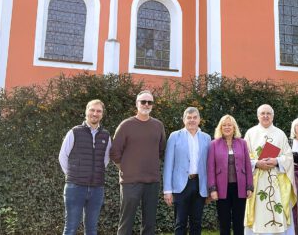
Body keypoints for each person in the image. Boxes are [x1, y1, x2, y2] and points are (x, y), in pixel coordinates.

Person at [110, 90, 166, 235]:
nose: (146, 105)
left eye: (150, 102)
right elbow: (115, 152)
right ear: (137, 104)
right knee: (126, 221)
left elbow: (161, 151)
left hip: (152, 181)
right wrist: (126, 168)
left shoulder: (158, 125)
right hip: (130, 181)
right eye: (143, 101)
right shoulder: (126, 125)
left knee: (150, 222)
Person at [59, 99, 112, 235]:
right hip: (75, 187)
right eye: (92, 110)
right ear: (86, 112)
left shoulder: (106, 135)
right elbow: (63, 156)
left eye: (98, 111)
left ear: (102, 114)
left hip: (96, 188)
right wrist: (72, 175)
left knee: (92, 229)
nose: (95, 113)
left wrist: (95, 172)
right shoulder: (74, 132)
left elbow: (105, 159)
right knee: (70, 228)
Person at [244, 104, 296, 235]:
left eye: (268, 113)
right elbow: (243, 158)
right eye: (263, 113)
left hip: (276, 182)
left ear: (273, 116)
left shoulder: (280, 134)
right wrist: (256, 163)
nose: (265, 116)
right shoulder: (250, 133)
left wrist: (277, 161)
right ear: (258, 116)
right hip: (257, 182)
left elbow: (289, 157)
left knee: (276, 215)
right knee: (258, 215)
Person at [163, 107, 211, 235]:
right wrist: (167, 190)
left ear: (199, 119)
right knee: (180, 223)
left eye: (195, 117)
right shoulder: (174, 136)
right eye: (189, 118)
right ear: (184, 120)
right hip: (180, 185)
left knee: (197, 222)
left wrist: (210, 188)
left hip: (199, 184)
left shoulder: (206, 138)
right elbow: (168, 164)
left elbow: (209, 165)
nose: (192, 120)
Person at [207, 115, 254, 235]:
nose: (227, 127)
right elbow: (211, 168)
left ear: (234, 127)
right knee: (224, 222)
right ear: (220, 128)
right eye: (224, 125)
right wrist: (212, 189)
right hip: (222, 189)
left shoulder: (242, 143)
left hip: (240, 188)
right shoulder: (213, 144)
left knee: (239, 223)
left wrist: (249, 186)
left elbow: (248, 166)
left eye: (230, 125)